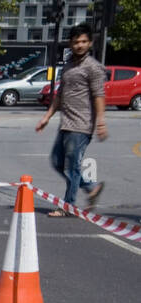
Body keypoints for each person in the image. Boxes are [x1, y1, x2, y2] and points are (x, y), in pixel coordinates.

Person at [36, 24, 107, 214]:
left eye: (84, 41)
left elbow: (99, 95)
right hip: (66, 123)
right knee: (57, 162)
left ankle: (68, 206)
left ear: (90, 43)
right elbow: (59, 94)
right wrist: (47, 117)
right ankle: (91, 188)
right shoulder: (67, 66)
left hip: (82, 125)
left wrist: (101, 121)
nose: (80, 45)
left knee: (72, 167)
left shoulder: (94, 68)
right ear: (70, 43)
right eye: (76, 42)